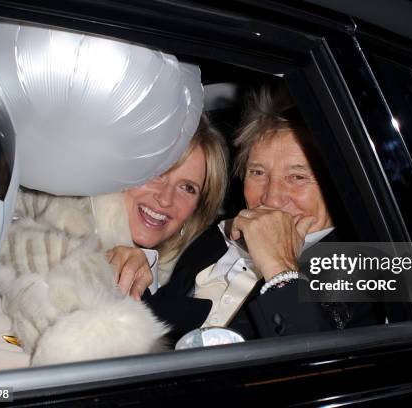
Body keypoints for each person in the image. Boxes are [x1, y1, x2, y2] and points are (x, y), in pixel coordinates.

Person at [140, 84, 384, 341]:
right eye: (257, 173)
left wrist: (281, 271)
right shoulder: (214, 238)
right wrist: (140, 267)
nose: (271, 197)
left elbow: (322, 372)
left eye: (298, 177)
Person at [0, 115, 228, 365]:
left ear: (194, 212)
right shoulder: (49, 217)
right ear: (123, 169)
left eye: (188, 188)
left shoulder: (175, 288)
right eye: (158, 173)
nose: (165, 199)